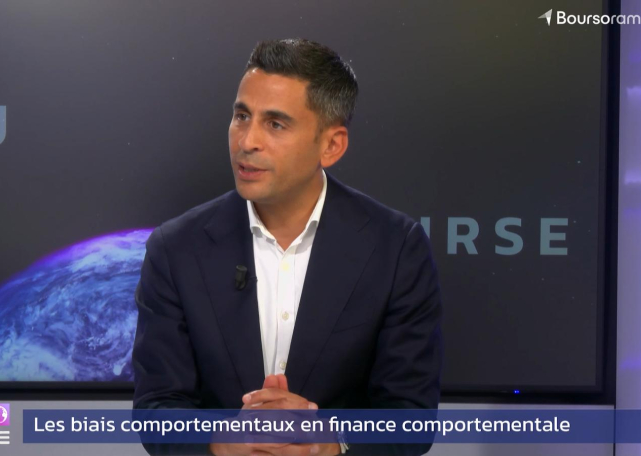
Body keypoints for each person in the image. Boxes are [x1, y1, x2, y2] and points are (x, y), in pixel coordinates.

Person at [132, 38, 443, 455]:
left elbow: (410, 418)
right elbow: (156, 410)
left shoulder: (396, 249)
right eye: (242, 116)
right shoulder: (176, 248)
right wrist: (219, 442)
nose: (247, 141)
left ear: (331, 145)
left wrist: (331, 443)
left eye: (275, 124)